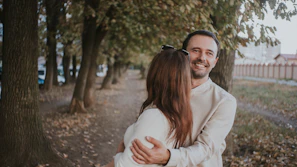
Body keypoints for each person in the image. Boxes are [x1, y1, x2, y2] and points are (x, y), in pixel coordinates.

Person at [130, 30, 237, 167]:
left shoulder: (224, 101)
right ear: (184, 54)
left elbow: (206, 148)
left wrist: (168, 157)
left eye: (209, 53)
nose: (202, 58)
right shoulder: (166, 88)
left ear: (215, 61)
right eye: (196, 50)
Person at [103, 46, 194, 167]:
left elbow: (126, 165)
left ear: (155, 76)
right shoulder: (178, 114)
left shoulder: (155, 116)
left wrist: (119, 154)